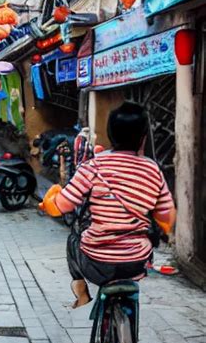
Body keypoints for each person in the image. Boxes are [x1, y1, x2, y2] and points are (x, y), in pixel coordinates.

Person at [39, 102, 176, 308]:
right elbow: (166, 216)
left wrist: (50, 200)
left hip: (97, 261)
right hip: (136, 261)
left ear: (110, 134)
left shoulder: (94, 165)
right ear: (143, 137)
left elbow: (62, 205)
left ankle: (82, 292)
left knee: (73, 240)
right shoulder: (152, 169)